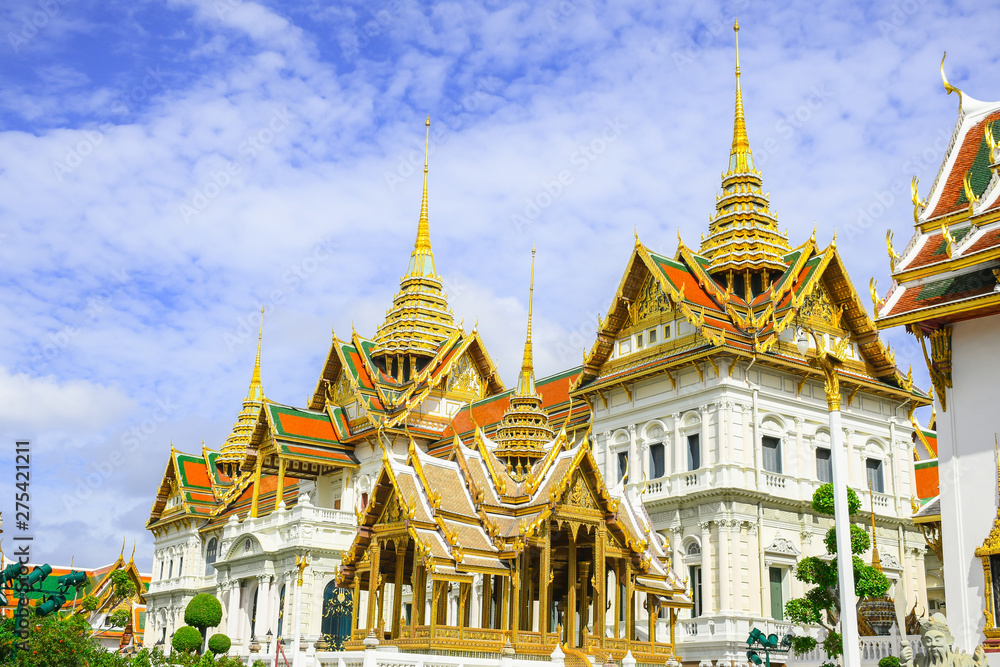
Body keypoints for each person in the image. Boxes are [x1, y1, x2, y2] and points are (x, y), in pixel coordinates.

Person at [900, 613, 987, 667]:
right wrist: (905, 662)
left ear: (949, 641)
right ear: (923, 643)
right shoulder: (920, 663)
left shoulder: (961, 662)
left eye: (938, 640)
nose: (933, 644)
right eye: (928, 640)